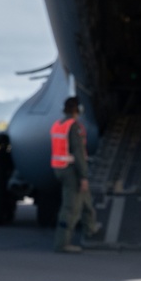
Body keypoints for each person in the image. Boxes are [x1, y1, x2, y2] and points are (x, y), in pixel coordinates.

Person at [51, 97, 102, 253]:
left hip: (60, 168)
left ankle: (90, 227)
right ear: (77, 110)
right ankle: (62, 243)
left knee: (86, 200)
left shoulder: (59, 125)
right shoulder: (74, 127)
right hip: (72, 171)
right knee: (70, 208)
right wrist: (84, 176)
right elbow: (79, 153)